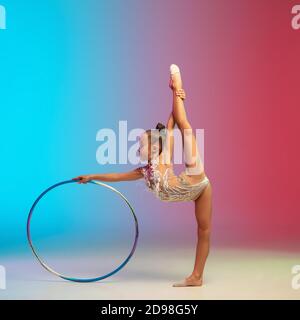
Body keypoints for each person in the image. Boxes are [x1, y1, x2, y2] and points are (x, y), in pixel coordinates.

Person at [73, 64, 213, 287]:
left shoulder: (162, 156)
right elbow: (116, 176)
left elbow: (173, 122)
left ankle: (177, 83)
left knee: (185, 128)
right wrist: (92, 176)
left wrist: (176, 94)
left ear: (155, 148)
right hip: (194, 193)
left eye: (141, 145)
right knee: (203, 229)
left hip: (197, 181)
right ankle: (197, 278)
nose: (138, 149)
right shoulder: (144, 171)